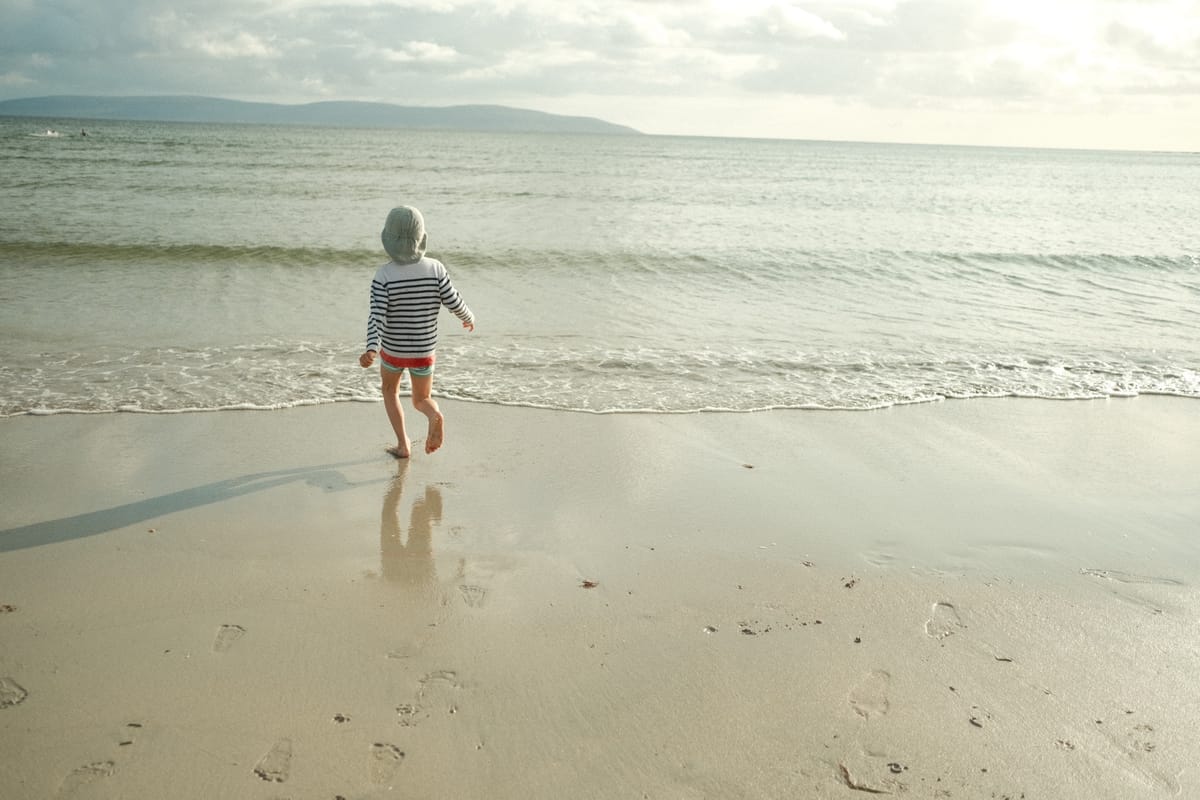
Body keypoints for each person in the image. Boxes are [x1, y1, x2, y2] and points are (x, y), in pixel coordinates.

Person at [359, 206, 475, 458]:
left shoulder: (384, 275)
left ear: (388, 241)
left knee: (390, 391)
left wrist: (371, 347)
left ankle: (403, 445)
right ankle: (434, 414)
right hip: (424, 351)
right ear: (421, 238)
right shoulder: (435, 269)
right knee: (420, 399)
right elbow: (453, 301)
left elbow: (376, 316)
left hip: (393, 352)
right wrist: (468, 317)